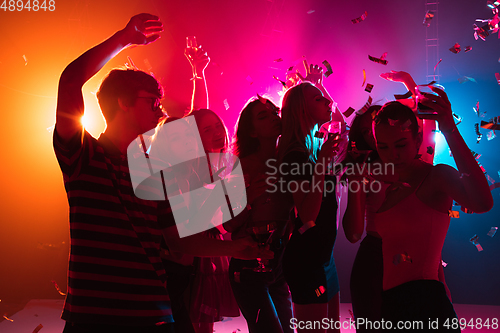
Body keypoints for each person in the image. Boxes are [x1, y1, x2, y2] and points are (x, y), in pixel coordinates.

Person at [54, 14, 270, 333]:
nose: (161, 111)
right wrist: (122, 38)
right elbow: (71, 81)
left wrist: (238, 248)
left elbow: (179, 241)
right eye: (152, 101)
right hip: (94, 315)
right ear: (123, 103)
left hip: (153, 312)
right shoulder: (83, 154)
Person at [369, 91, 493, 331]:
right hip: (392, 303)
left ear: (417, 140)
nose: (392, 154)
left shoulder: (437, 176)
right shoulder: (388, 185)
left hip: (424, 304)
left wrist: (449, 128)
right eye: (383, 147)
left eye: (401, 145)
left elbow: (482, 203)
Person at [277, 64, 345, 333]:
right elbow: (307, 216)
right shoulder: (296, 153)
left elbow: (343, 126)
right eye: (318, 99)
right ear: (301, 110)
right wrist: (323, 165)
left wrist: (319, 85)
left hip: (324, 256)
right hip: (307, 260)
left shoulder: (314, 146)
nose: (327, 101)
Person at [224, 96, 294, 333]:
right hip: (248, 266)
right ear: (252, 132)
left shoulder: (287, 161)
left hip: (280, 262)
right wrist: (250, 201)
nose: (274, 117)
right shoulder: (239, 167)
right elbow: (229, 225)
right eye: (264, 116)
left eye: (275, 112)